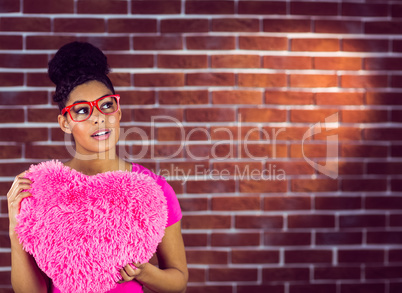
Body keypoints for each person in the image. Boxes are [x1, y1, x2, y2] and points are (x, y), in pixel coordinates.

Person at [7, 41, 188, 293]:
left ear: (119, 111)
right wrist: (17, 234)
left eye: (106, 105)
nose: (98, 117)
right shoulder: (42, 191)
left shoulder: (153, 190)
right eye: (82, 110)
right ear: (64, 122)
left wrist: (144, 272)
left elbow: (178, 281)